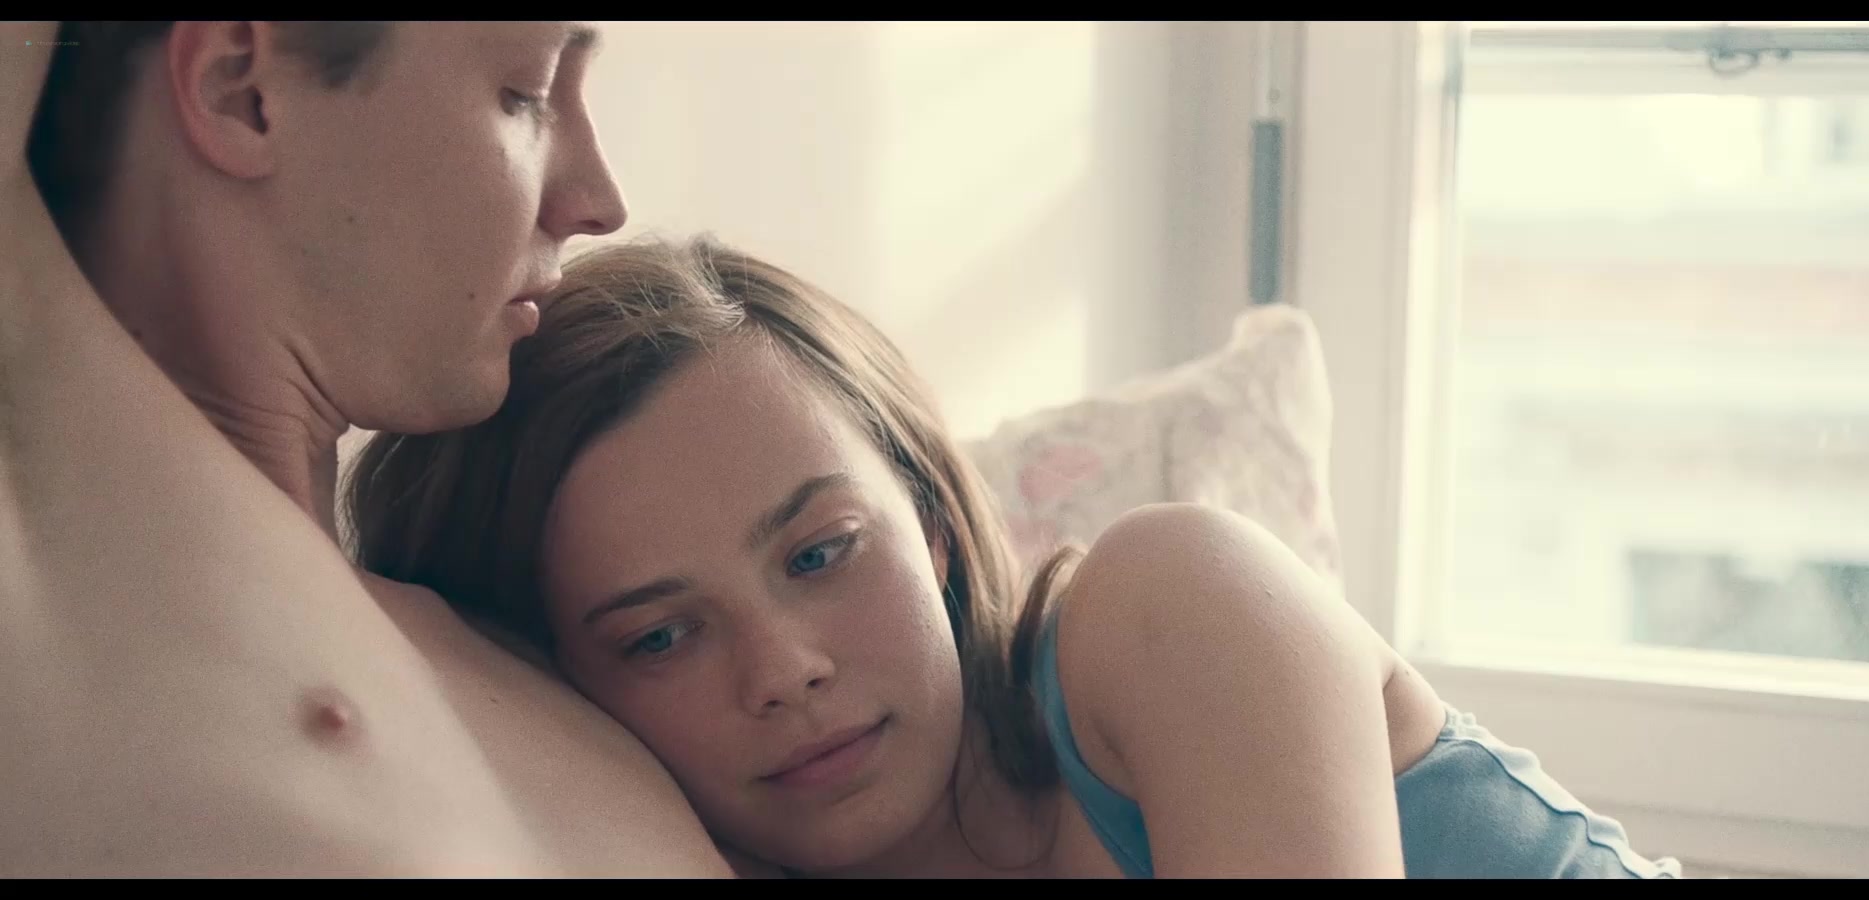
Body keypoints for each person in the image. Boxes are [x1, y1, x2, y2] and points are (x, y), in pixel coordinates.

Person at [345, 235, 1686, 878]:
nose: (786, 668)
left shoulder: (1172, 607)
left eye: (819, 553)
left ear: (931, 520)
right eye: (658, 636)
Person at [1, 21, 732, 877]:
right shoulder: (44, 559)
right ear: (243, 92)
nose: (600, 201)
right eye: (526, 95)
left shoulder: (553, 666)